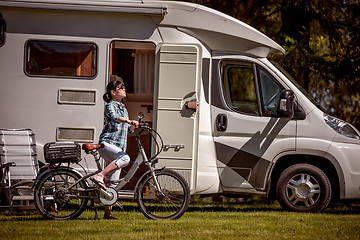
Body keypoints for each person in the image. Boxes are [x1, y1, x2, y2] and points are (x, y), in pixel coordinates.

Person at [91, 77, 139, 219]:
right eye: (121, 88)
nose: (124, 89)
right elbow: (114, 117)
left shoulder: (123, 108)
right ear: (113, 92)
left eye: (124, 87)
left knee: (113, 183)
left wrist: (133, 126)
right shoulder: (110, 105)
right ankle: (99, 176)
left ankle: (107, 213)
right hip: (107, 144)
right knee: (125, 158)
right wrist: (128, 120)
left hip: (117, 147)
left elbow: (126, 129)